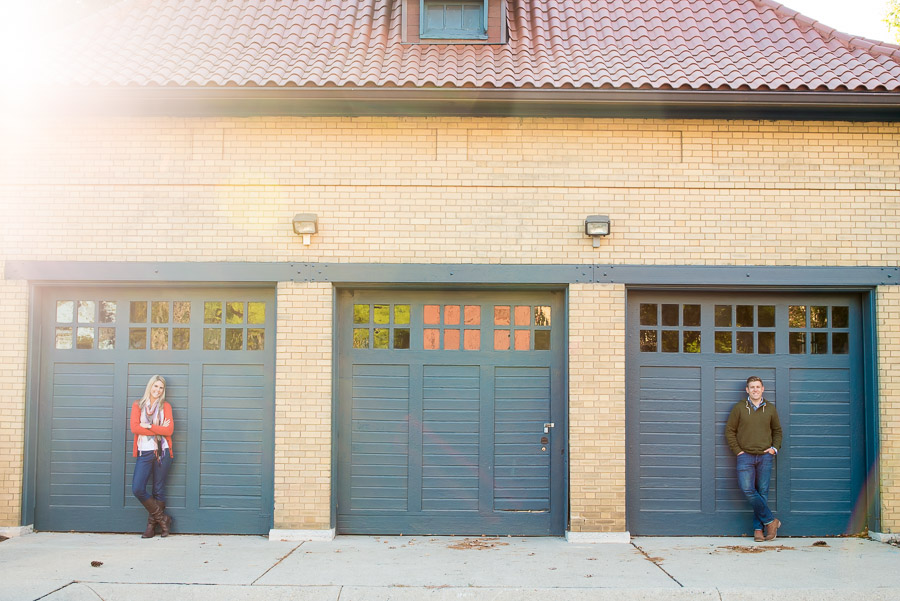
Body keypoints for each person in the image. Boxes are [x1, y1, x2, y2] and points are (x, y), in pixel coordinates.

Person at [725, 375, 783, 542]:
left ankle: (758, 530)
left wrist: (774, 449)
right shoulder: (739, 408)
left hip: (765, 456)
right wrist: (738, 451)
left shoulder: (770, 409)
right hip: (745, 456)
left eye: (758, 387)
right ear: (747, 390)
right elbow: (730, 431)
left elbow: (777, 431)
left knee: (763, 492)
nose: (755, 390)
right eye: (752, 387)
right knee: (748, 489)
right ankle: (771, 521)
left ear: (762, 389)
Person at [130, 374, 175, 538]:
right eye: (155, 386)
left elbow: (168, 431)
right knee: (137, 488)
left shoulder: (166, 407)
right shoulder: (138, 405)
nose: (157, 390)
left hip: (163, 451)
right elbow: (134, 428)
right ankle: (163, 518)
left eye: (161, 388)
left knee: (158, 489)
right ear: (150, 386)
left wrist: (147, 425)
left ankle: (152, 525)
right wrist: (158, 428)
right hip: (145, 451)